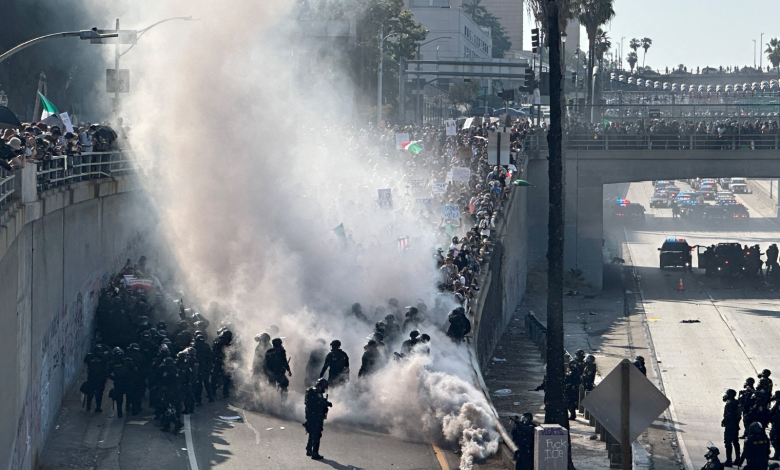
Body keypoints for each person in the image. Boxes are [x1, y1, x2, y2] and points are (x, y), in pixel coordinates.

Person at [304, 378, 332, 460]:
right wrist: (327, 403)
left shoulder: (310, 390)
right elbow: (319, 402)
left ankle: (309, 449)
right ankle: (315, 453)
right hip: (316, 416)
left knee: (312, 432)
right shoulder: (317, 392)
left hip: (310, 415)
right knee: (317, 434)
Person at [82, 345, 109, 412]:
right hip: (100, 378)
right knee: (99, 393)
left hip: (91, 377)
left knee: (90, 392)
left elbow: (85, 364)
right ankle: (98, 407)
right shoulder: (103, 356)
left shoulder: (89, 356)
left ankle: (88, 406)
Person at [722, 389, 741, 467]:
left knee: (728, 443)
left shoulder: (730, 403)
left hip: (730, 426)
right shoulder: (737, 402)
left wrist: (725, 421)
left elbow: (729, 415)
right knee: (735, 442)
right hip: (735, 426)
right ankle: (738, 459)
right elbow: (739, 415)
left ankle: (729, 460)